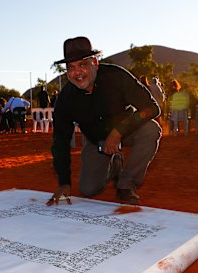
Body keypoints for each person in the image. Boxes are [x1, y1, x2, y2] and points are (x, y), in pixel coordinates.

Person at [47, 36, 162, 206]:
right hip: (96, 141)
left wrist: (118, 131)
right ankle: (115, 165)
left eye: (82, 64)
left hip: (128, 130)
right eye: (71, 67)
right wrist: (64, 183)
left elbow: (152, 107)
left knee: (151, 130)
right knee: (89, 189)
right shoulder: (66, 98)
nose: (77, 72)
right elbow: (60, 141)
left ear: (95, 62)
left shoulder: (116, 76)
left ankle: (126, 184)